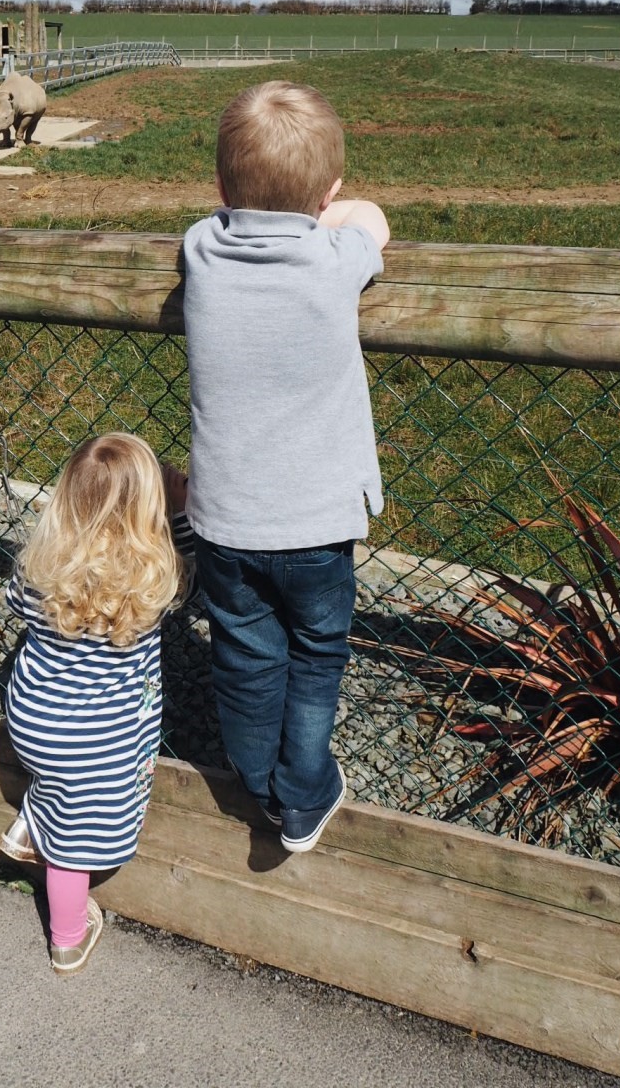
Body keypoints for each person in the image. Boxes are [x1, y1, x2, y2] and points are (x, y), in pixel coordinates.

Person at [182, 80, 390, 854]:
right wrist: (333, 211)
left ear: (221, 189)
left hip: (228, 522)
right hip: (317, 523)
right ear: (328, 191)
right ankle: (303, 794)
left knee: (245, 652)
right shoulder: (334, 258)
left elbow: (220, 223)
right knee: (317, 654)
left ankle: (255, 776)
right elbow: (375, 221)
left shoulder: (202, 250)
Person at [0, 433, 192, 975]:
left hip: (32, 715)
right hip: (98, 737)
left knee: (56, 783)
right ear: (150, 509)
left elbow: (16, 601)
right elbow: (187, 570)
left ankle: (28, 825)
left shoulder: (40, 567)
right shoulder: (152, 580)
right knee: (74, 849)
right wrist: (179, 510)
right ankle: (67, 940)